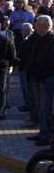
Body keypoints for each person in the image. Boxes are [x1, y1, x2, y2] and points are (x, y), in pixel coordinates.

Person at [24, 15, 54, 146]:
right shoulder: (38, 38)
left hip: (45, 79)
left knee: (46, 108)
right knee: (39, 107)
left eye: (37, 24)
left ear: (45, 26)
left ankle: (47, 135)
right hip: (36, 77)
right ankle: (42, 132)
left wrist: (44, 75)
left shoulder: (52, 40)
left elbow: (50, 62)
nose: (34, 25)